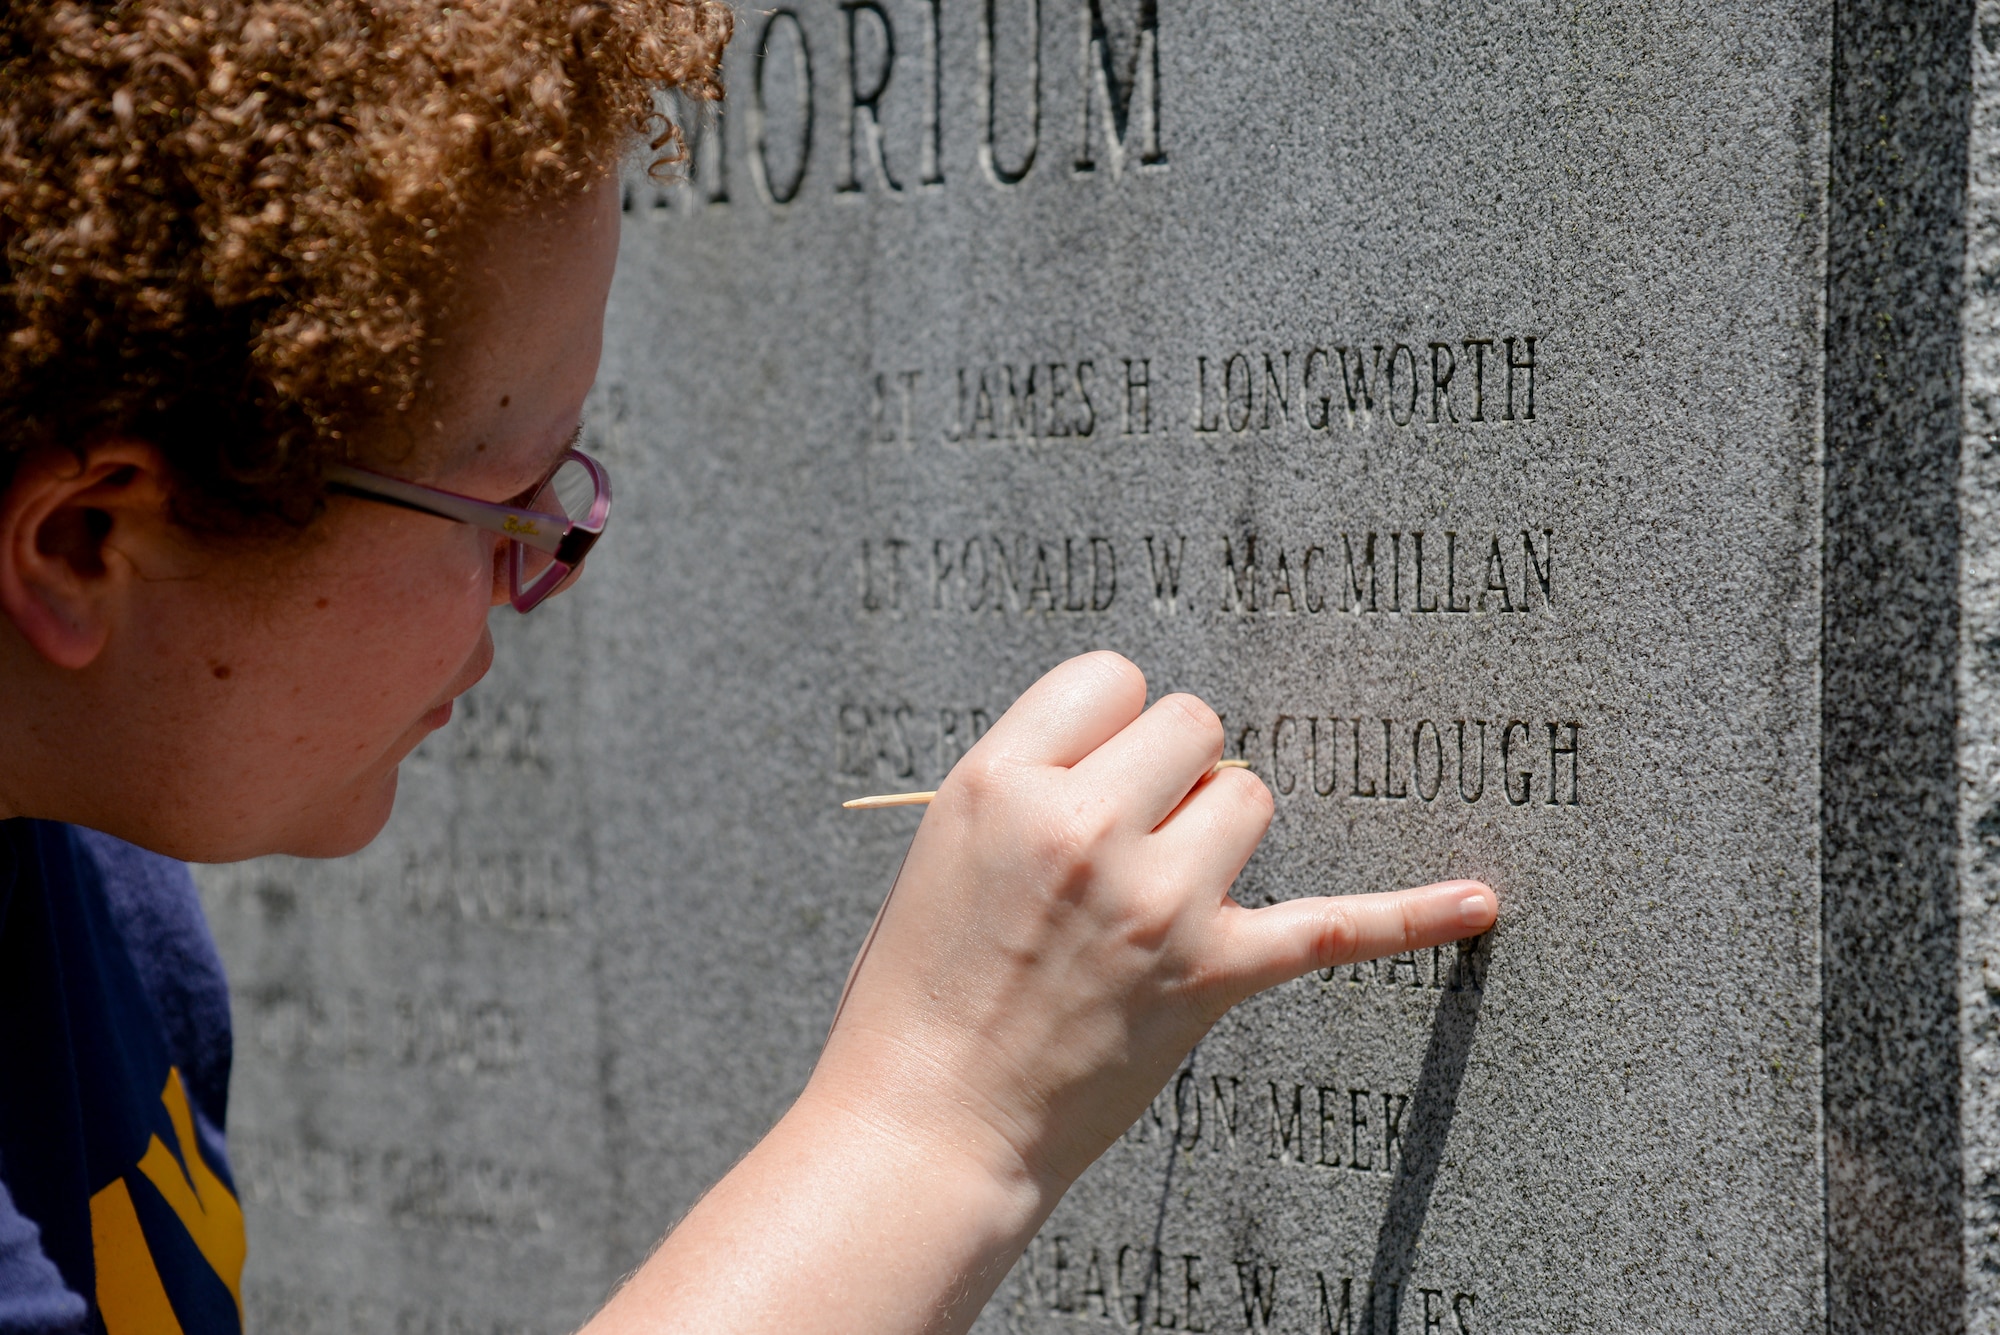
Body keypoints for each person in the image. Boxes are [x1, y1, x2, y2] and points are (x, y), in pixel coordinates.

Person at [0, 3, 1499, 1332]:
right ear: (81, 545)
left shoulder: (90, 875)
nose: (546, 573)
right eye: (504, 506)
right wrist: (934, 1124)